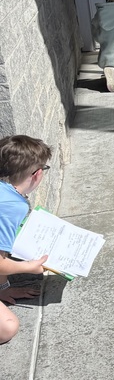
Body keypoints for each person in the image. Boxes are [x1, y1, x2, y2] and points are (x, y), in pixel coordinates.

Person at [0, 136, 51, 344]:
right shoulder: (12, 206)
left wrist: (4, 289)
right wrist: (29, 268)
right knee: (7, 328)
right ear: (37, 174)